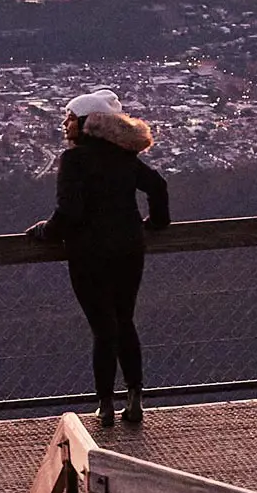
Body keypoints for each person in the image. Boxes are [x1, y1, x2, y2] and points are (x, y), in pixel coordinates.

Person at [31, 88, 170, 428]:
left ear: (87, 123)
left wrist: (43, 232)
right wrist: (156, 224)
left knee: (102, 328)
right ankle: (135, 397)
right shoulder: (123, 156)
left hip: (89, 252)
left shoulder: (75, 160)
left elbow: (69, 211)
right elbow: (157, 186)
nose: (65, 124)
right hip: (128, 247)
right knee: (124, 321)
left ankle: (105, 405)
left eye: (70, 118)